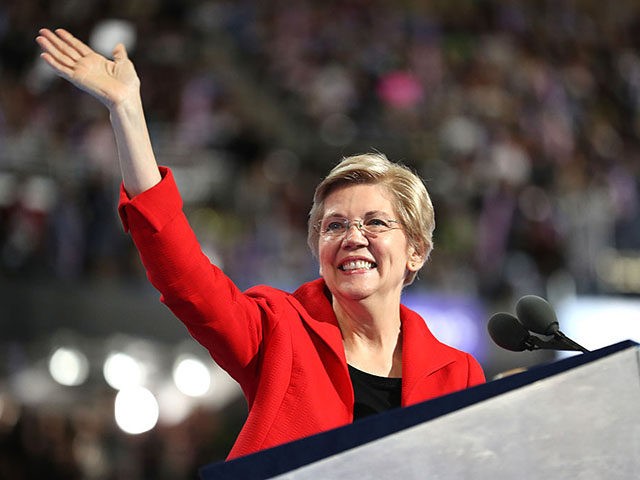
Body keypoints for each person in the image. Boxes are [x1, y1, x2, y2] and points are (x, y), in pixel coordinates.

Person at [36, 28, 485, 460]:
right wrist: (128, 111)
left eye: (375, 222)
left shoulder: (458, 374)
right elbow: (186, 278)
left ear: (416, 250)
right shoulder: (279, 330)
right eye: (334, 226)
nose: (352, 238)